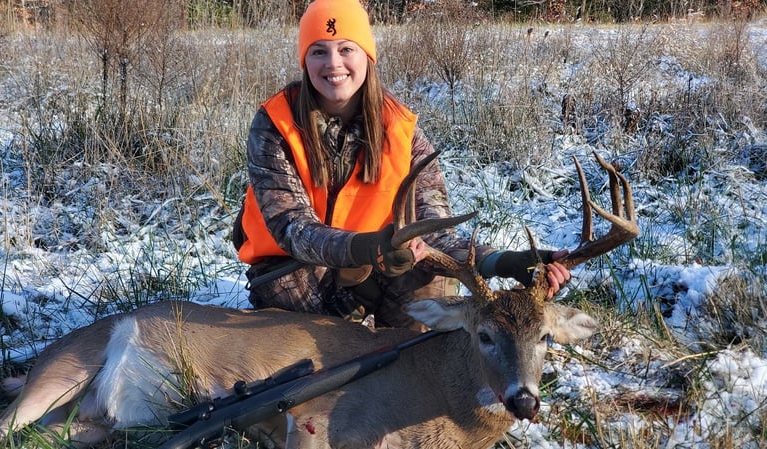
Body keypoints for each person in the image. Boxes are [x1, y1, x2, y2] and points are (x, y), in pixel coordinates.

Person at [233, 0, 570, 329]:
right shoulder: (275, 124)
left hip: (374, 265)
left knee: (428, 276)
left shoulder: (400, 130)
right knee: (306, 336)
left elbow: (435, 230)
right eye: (319, 50)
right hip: (293, 268)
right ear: (305, 60)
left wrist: (506, 263)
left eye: (346, 49)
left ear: (367, 55)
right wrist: (368, 246)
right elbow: (293, 229)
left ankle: (408, 359)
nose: (333, 64)